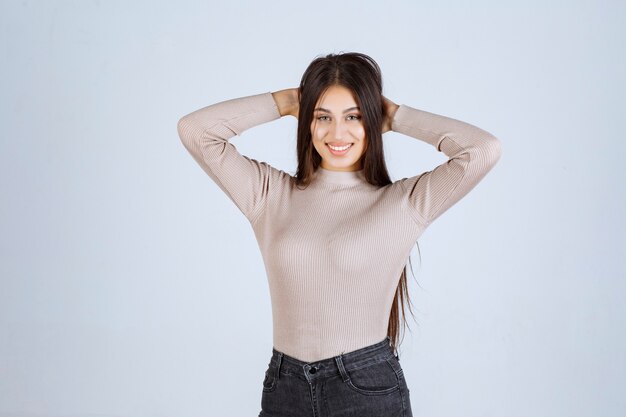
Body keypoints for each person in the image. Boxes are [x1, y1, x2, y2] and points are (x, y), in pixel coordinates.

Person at [177, 52, 502, 417]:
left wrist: (395, 117)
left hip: (364, 389)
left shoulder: (403, 204)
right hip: (284, 387)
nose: (337, 133)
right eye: (322, 117)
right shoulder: (268, 195)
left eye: (354, 117)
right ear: (307, 121)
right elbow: (195, 131)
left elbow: (482, 150)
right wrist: (284, 102)